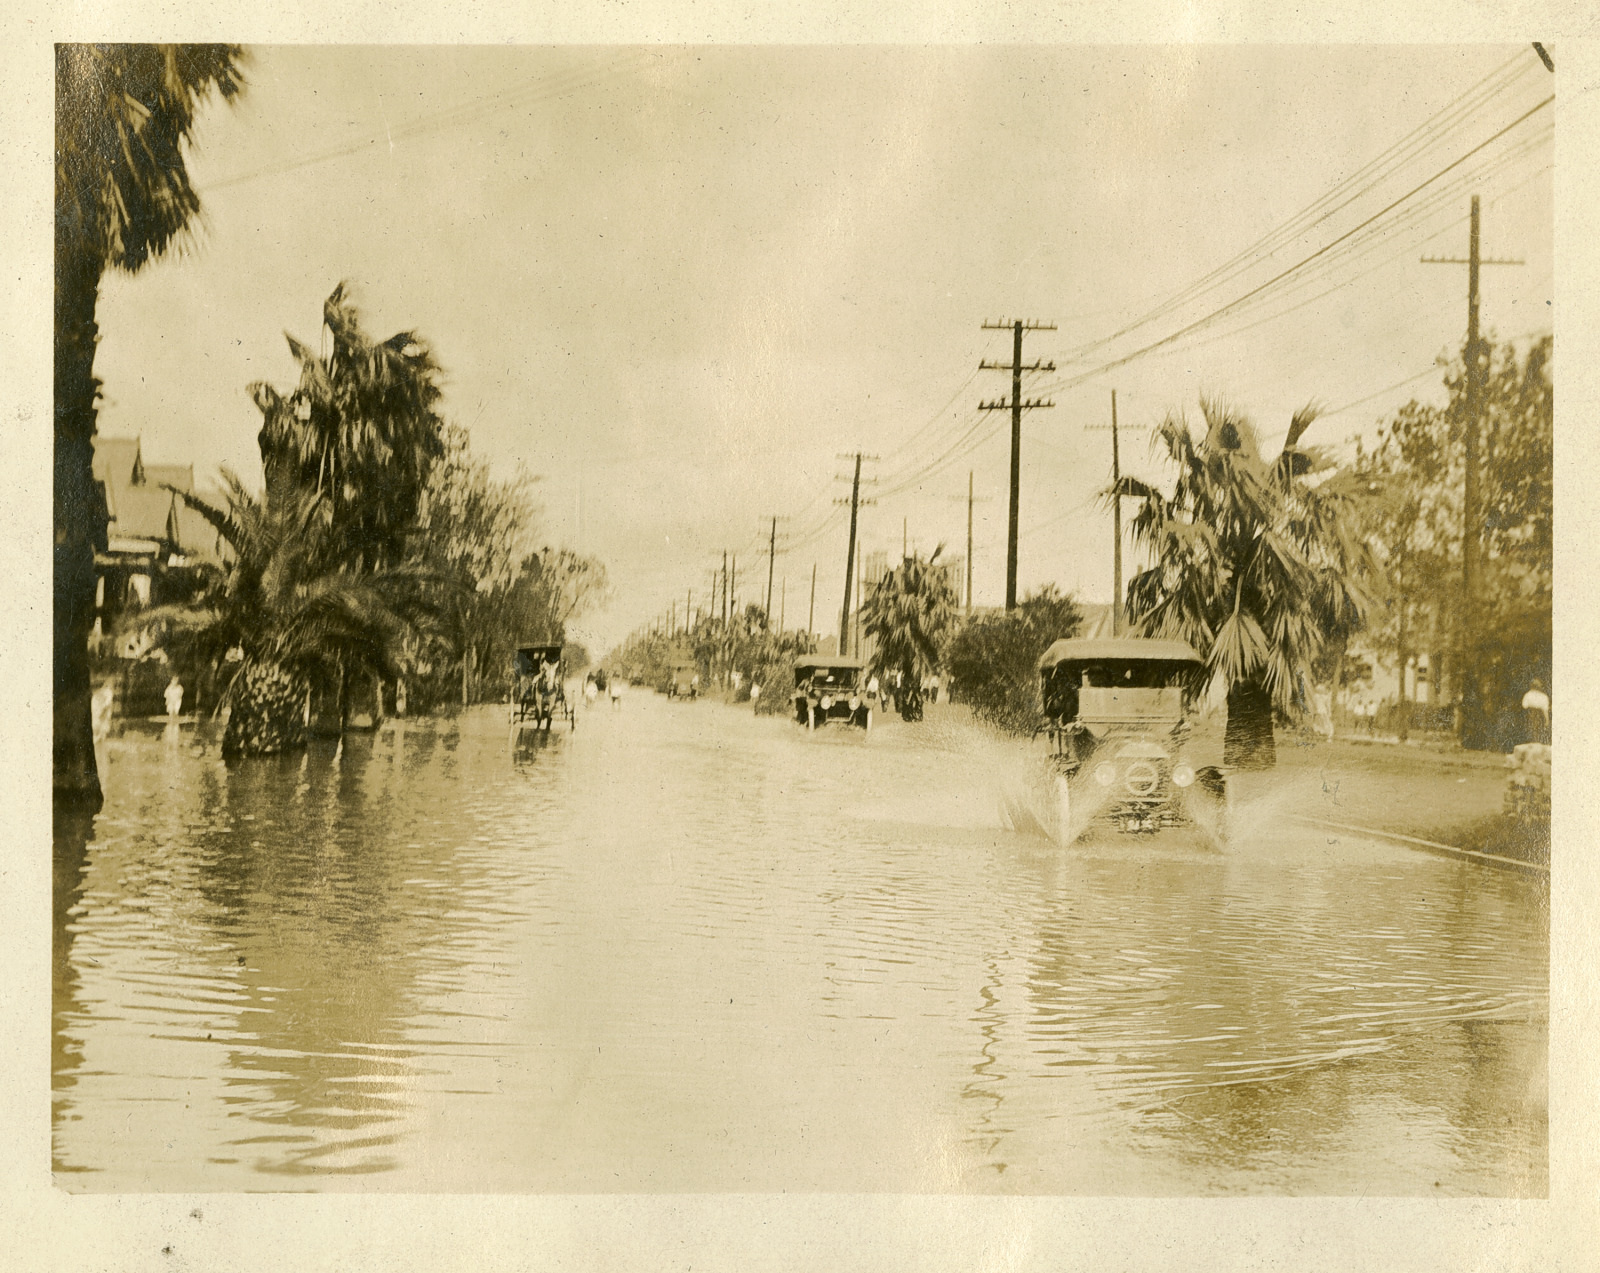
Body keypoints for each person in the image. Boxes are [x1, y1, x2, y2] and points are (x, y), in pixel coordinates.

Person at [1522, 678, 1551, 744]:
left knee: (1531, 731)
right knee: (1538, 732)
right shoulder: (1544, 696)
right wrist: (1547, 720)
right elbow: (1545, 710)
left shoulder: (1528, 695)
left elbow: (1524, 705)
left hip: (1530, 716)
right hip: (1539, 717)